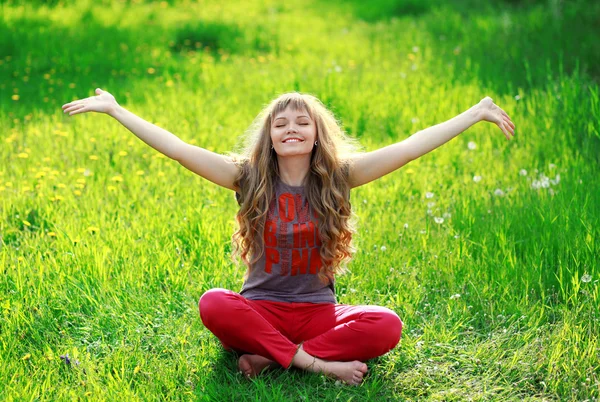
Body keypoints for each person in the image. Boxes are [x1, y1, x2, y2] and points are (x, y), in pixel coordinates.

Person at [62, 89, 515, 386]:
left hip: (317, 314)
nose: (291, 128)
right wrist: (118, 111)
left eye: (302, 122)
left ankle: (267, 359)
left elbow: (411, 146)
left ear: (317, 135)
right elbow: (179, 149)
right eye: (280, 125)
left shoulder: (341, 177)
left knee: (386, 323)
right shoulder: (246, 178)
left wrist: (473, 115)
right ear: (271, 139)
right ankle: (311, 364)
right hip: (261, 310)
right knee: (214, 302)